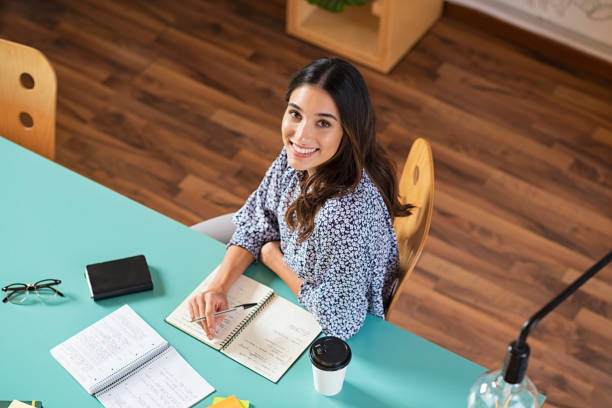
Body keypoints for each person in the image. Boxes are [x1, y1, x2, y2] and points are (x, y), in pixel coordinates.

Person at [188, 57, 412, 341]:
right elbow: (260, 219)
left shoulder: (343, 216)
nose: (301, 135)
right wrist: (218, 287)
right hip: (293, 253)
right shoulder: (300, 157)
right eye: (295, 114)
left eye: (323, 123)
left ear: (349, 130)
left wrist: (273, 258)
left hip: (314, 302)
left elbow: (342, 323)